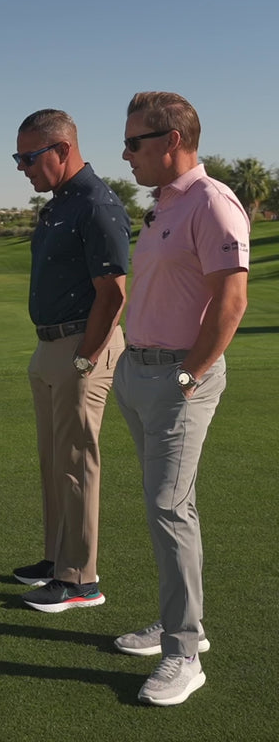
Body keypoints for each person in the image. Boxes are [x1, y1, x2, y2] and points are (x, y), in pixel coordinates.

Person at [113, 92, 249, 706]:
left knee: (168, 507)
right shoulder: (164, 205)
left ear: (172, 141)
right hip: (139, 373)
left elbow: (232, 301)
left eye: (135, 142)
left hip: (178, 380)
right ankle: (175, 625)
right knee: (169, 507)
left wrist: (190, 377)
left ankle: (184, 652)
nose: (126, 154)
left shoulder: (213, 202)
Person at [12, 109, 131, 612]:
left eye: (30, 157)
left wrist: (85, 360)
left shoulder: (96, 204)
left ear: (62, 150)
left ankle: (81, 581)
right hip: (50, 345)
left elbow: (114, 294)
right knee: (53, 461)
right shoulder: (61, 202)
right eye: (18, 158)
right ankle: (56, 559)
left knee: (77, 463)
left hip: (84, 344)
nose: (23, 168)